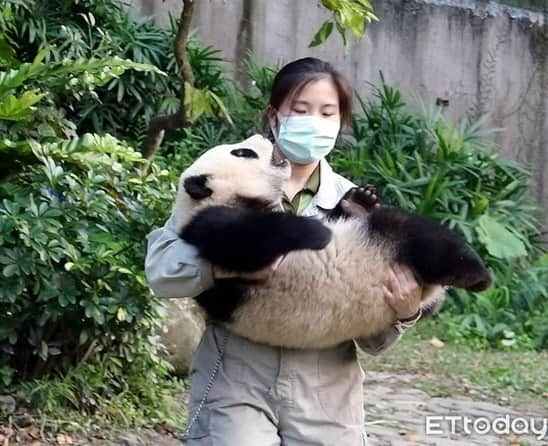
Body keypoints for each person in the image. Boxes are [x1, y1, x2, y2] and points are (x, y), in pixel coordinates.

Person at [145, 57, 425, 446]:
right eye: (301, 109)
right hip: (235, 374)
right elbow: (160, 270)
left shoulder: (353, 204)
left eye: (328, 112)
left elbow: (374, 342)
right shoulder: (224, 173)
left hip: (326, 390)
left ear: (340, 123)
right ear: (274, 116)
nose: (315, 121)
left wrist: (406, 310)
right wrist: (223, 268)